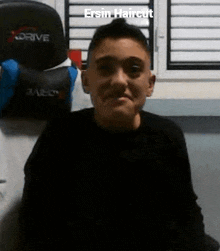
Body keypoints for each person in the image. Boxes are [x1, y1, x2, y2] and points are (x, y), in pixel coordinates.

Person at [18, 18, 215, 251]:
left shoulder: (167, 137)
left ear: (150, 83)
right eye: (105, 68)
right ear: (86, 80)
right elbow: (37, 227)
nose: (120, 81)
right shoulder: (59, 137)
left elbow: (187, 217)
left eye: (133, 69)